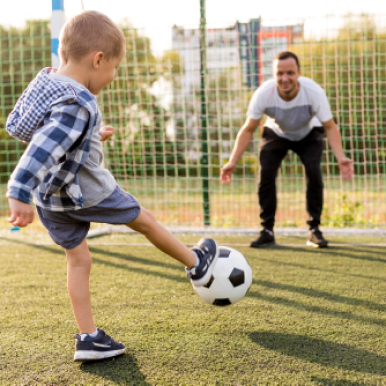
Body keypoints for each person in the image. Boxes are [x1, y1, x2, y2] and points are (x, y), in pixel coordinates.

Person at [6, 10, 219, 362]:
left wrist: (89, 135)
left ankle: (88, 338)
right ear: (98, 59)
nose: (114, 76)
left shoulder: (45, 83)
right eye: (115, 68)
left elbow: (26, 126)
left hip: (52, 201)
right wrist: (17, 190)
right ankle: (197, 263)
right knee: (144, 219)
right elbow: (44, 145)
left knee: (78, 261)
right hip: (84, 189)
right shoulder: (77, 102)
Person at [221, 51, 353, 248]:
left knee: (313, 172)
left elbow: (330, 127)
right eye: (280, 73)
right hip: (276, 133)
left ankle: (314, 229)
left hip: (308, 133)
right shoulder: (263, 94)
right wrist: (232, 161)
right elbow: (248, 129)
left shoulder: (314, 92)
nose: (285, 78)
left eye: (290, 73)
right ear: (274, 74)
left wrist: (341, 157)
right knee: (266, 175)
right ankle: (267, 230)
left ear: (299, 72)